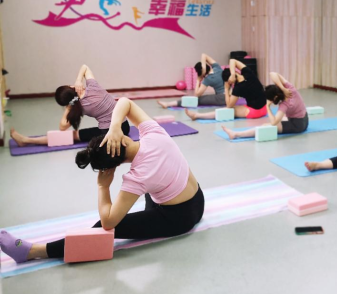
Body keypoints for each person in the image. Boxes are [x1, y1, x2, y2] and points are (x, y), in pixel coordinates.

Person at [0, 98, 204, 263]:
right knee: (153, 187)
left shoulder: (138, 176)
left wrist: (102, 186)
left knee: (104, 226)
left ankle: (33, 251)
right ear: (122, 137)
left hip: (179, 220)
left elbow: (108, 222)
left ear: (115, 165)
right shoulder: (154, 133)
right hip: (198, 199)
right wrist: (115, 126)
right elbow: (125, 102)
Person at [10, 64, 130, 147]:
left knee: (69, 135)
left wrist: (69, 107)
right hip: (124, 126)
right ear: (71, 87)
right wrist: (79, 80)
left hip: (112, 132)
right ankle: (26, 140)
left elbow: (62, 127)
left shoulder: (80, 106)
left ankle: (26, 140)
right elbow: (85, 67)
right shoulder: (93, 86)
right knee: (76, 134)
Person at [222, 72, 309, 140]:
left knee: (266, 126)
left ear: (275, 97)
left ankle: (236, 134)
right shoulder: (289, 88)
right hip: (305, 118)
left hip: (298, 125)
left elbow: (273, 122)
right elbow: (272, 73)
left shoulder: (285, 105)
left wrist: (267, 106)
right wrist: (282, 88)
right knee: (280, 117)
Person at [185, 58, 267, 121]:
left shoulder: (238, 88)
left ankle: (197, 115)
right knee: (239, 106)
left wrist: (226, 88)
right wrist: (233, 73)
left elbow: (229, 106)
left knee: (228, 110)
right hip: (265, 108)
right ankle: (196, 115)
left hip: (255, 112)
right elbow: (232, 60)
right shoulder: (248, 72)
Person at [158, 53, 226, 109]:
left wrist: (198, 80)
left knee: (196, 100)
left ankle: (168, 104)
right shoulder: (217, 67)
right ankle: (168, 104)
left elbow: (196, 95)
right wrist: (204, 67)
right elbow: (204, 55)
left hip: (222, 98)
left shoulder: (208, 79)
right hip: (228, 96)